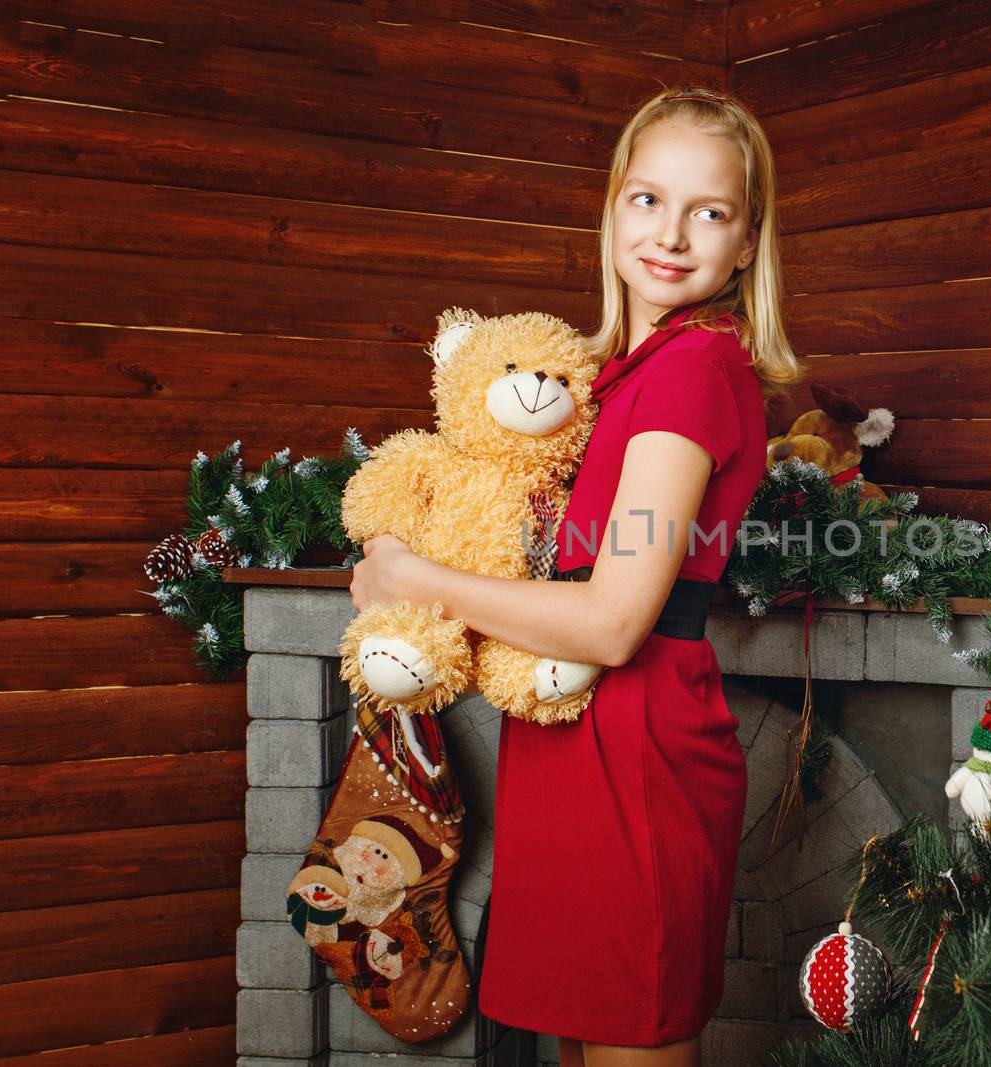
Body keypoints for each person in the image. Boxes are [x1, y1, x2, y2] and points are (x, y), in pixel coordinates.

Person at [347, 85, 803, 1067]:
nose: (671, 234)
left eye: (709, 211)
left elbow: (609, 620)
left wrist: (408, 575)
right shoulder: (611, 380)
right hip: (570, 749)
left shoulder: (694, 369)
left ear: (746, 239)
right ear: (611, 209)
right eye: (648, 200)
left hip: (636, 753)